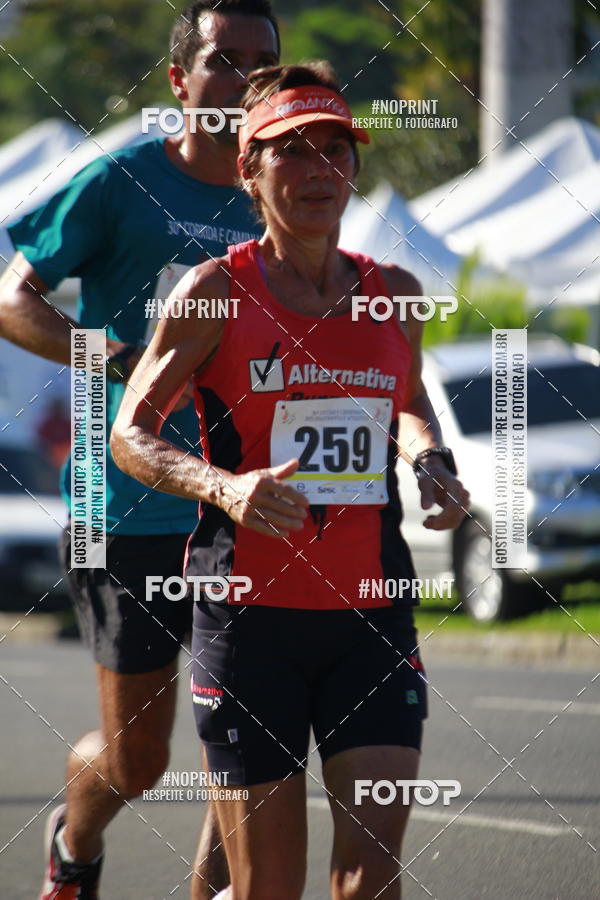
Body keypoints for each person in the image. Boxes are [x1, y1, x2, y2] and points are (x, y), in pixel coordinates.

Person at [111, 62, 470, 900]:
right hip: (249, 624)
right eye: (290, 152)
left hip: (372, 620)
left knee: (371, 877)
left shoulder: (395, 295)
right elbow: (131, 434)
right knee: (266, 887)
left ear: (355, 166)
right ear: (248, 168)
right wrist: (224, 487)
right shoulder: (211, 294)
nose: (317, 172)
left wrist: (430, 461)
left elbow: (408, 397)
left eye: (335, 151)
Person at [0, 3, 279, 898]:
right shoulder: (123, 181)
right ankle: (74, 846)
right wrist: (115, 357)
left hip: (247, 504)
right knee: (139, 759)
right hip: (127, 507)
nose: (242, 80)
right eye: (222, 61)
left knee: (246, 739)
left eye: (260, 63)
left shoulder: (284, 189)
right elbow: (15, 299)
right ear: (179, 79)